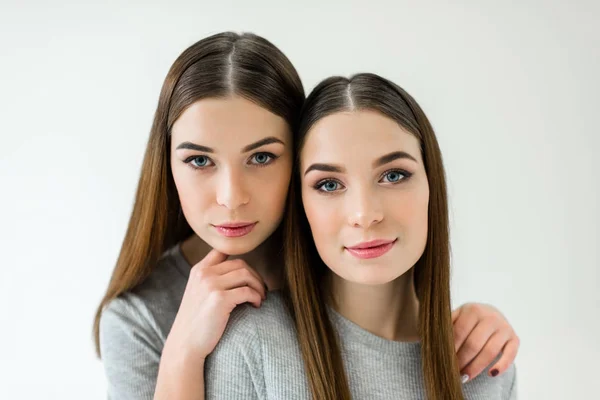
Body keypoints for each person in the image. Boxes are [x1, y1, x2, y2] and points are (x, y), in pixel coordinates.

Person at [94, 32, 519, 400]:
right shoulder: (144, 319)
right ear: (166, 165)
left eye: (261, 156)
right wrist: (182, 352)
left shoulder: (354, 255)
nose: (231, 197)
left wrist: (475, 321)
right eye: (200, 161)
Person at [204, 73, 517, 399]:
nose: (364, 215)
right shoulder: (252, 345)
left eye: (393, 175)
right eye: (328, 184)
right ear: (301, 206)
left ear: (430, 186)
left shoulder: (484, 363)